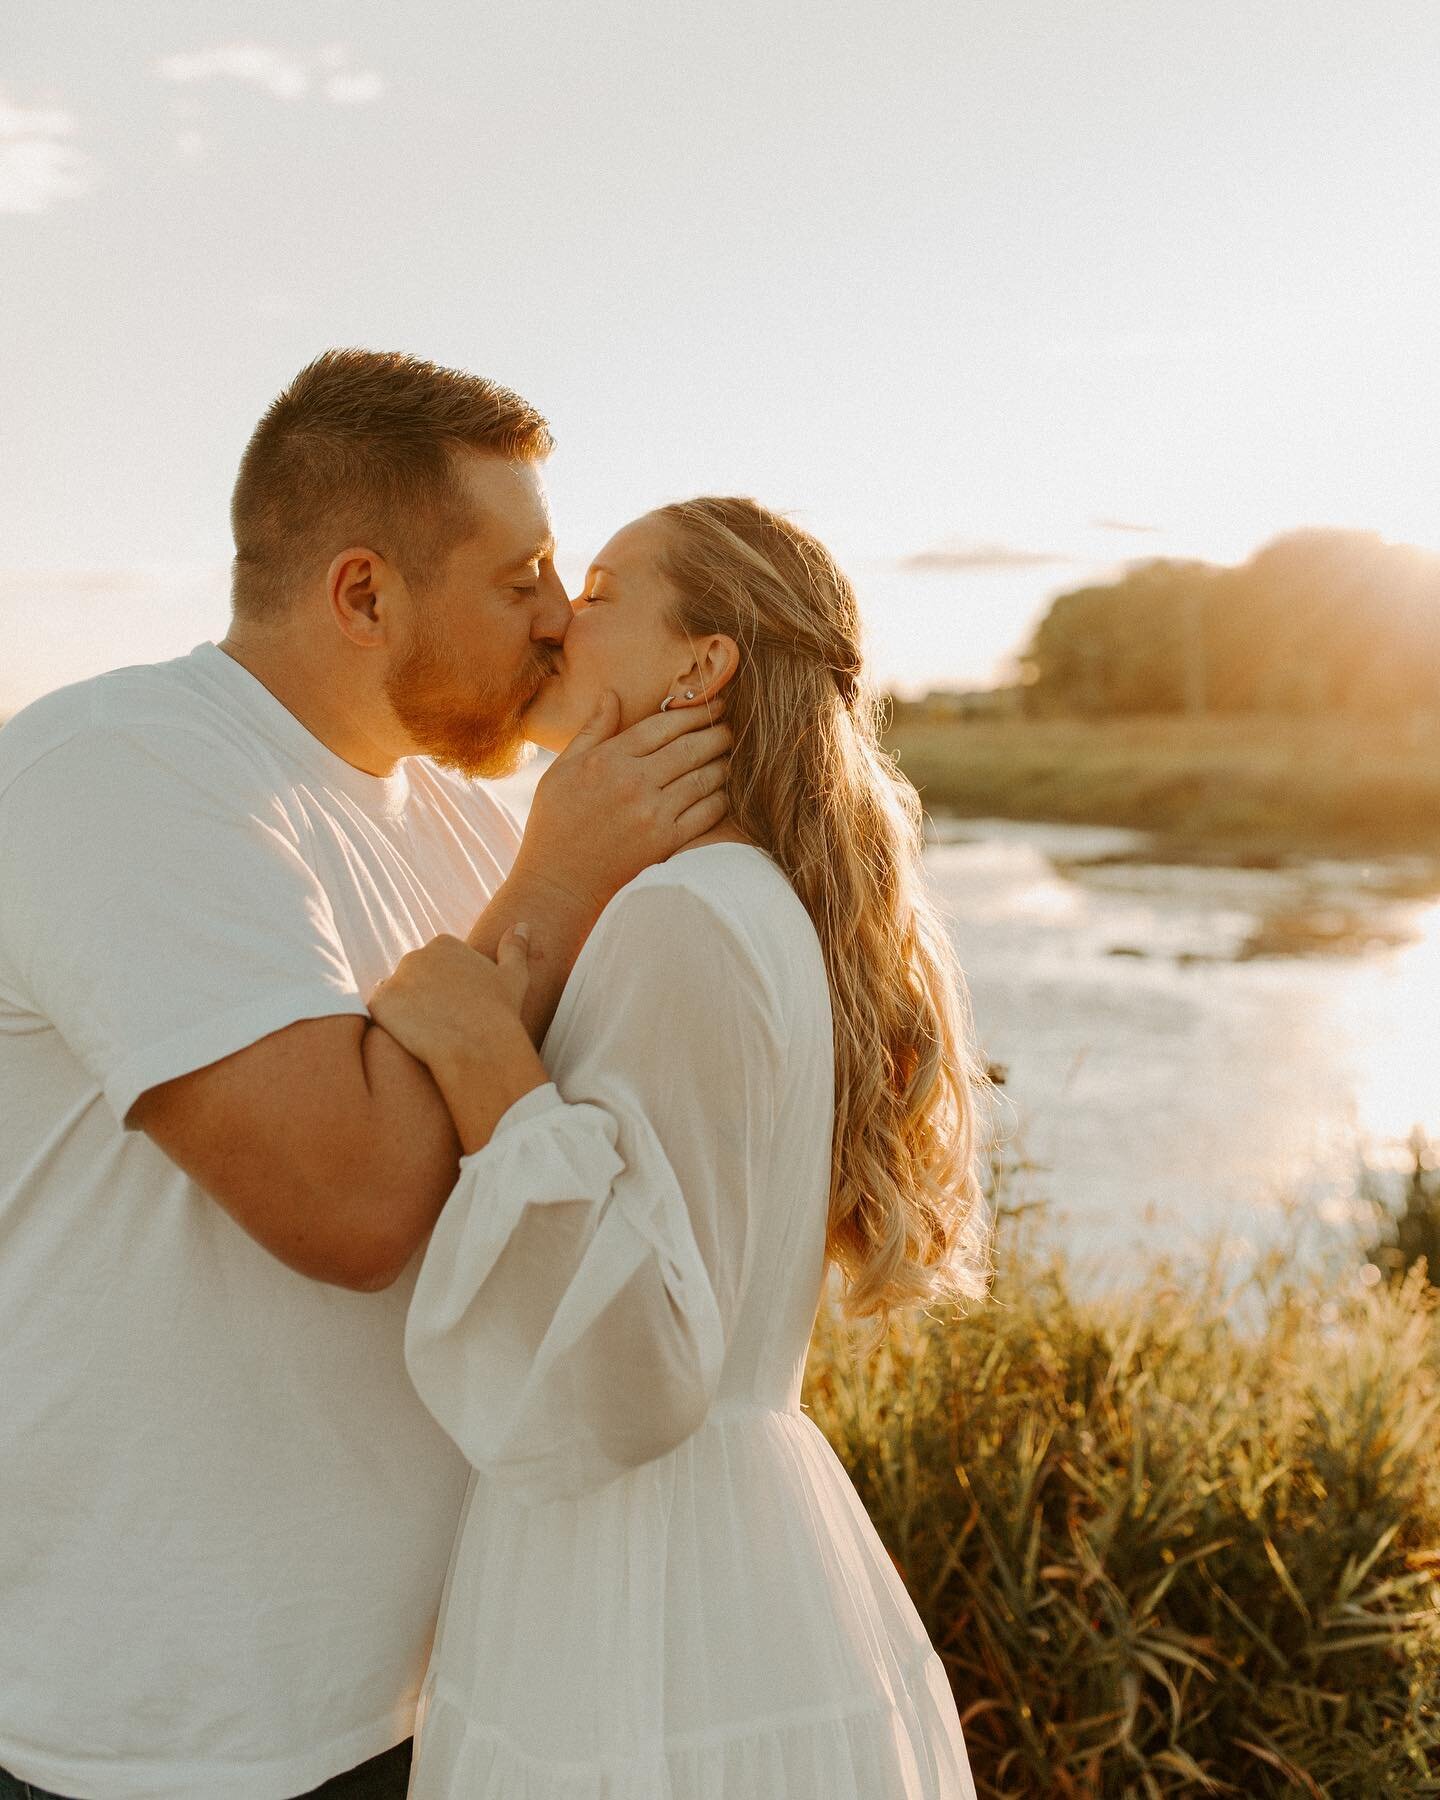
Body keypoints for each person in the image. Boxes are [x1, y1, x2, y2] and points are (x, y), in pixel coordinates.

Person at [0, 352, 730, 1800]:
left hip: (440, 1692)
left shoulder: (458, 826)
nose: (557, 619)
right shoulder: (119, 773)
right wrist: (563, 879)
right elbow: (351, 1207)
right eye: (521, 576)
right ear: (363, 595)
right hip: (165, 1725)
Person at [367, 496, 991, 1798]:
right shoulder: (751, 898)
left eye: (598, 592)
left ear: (703, 664)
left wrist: (484, 1052)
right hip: (731, 1542)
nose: (558, 621)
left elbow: (639, 1361)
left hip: (639, 1572)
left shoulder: (684, 917)